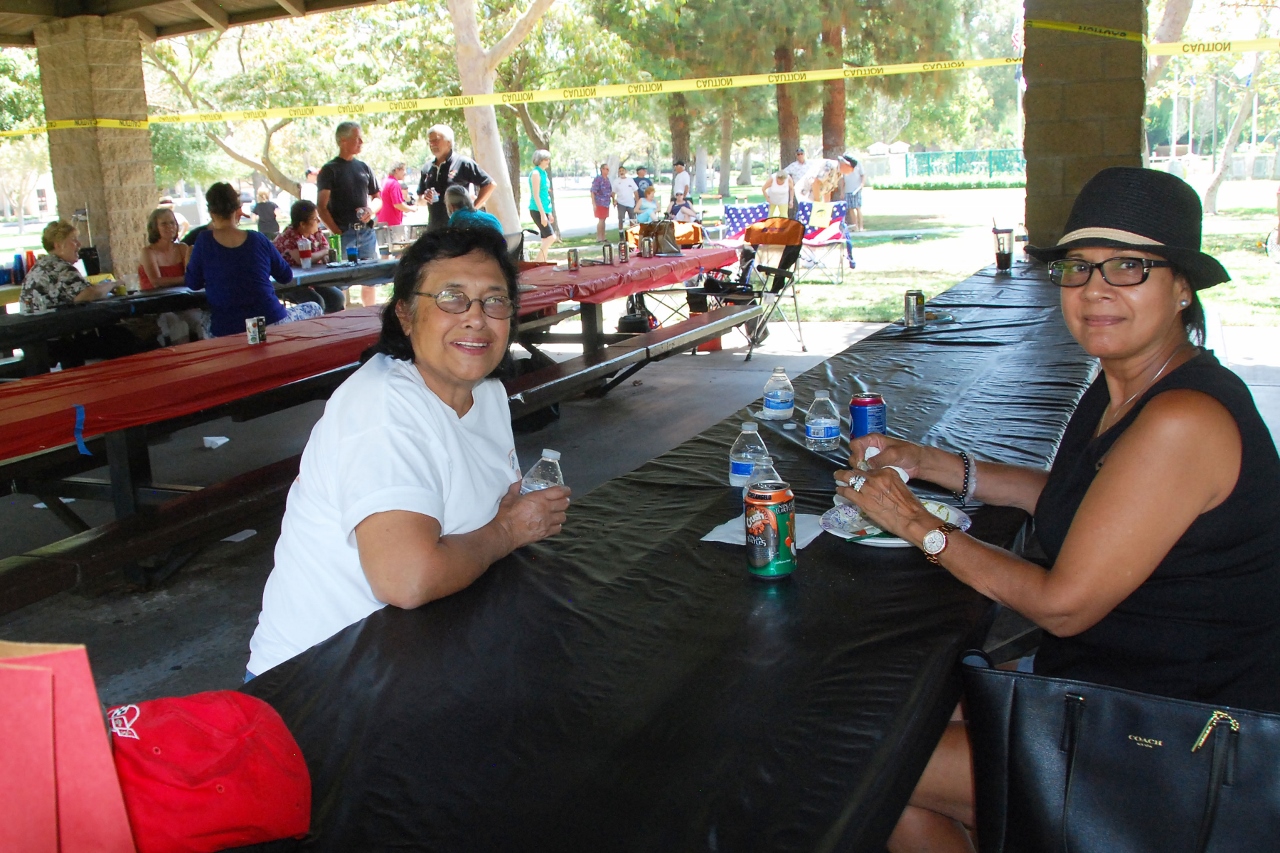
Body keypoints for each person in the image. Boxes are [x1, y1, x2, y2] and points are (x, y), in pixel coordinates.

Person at [830, 168, 1280, 852]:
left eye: (1129, 267)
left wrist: (919, 525)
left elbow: (1063, 604)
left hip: (1171, 740)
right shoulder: (1123, 385)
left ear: (1182, 286)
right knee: (894, 712)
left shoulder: (1184, 420)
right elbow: (1082, 501)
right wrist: (936, 465)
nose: (1095, 288)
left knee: (867, 758)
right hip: (1109, 686)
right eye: (1079, 267)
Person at [245, 227, 571, 678]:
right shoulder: (383, 408)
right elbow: (407, 578)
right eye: (451, 297)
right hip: (320, 681)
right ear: (405, 313)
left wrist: (511, 515)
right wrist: (508, 530)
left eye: (494, 300)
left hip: (415, 651)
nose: (476, 318)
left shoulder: (486, 391)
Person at [186, 182, 323, 337]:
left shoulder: (203, 242)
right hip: (269, 321)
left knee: (201, 321)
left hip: (229, 329)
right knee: (314, 307)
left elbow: (193, 283)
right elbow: (286, 276)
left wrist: (188, 259)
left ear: (211, 212)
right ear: (238, 210)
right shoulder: (258, 239)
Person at [20, 220, 137, 366]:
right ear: (58, 245)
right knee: (123, 338)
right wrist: (113, 284)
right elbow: (86, 294)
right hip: (57, 340)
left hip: (37, 337)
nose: (79, 245)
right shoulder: (60, 268)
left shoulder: (43, 265)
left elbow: (79, 290)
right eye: (73, 240)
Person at [140, 207, 209, 344]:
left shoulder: (182, 248)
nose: (170, 227)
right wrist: (185, 279)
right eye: (164, 224)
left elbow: (192, 275)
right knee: (178, 326)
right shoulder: (148, 252)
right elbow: (156, 282)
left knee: (201, 321)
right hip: (157, 306)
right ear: (155, 227)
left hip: (180, 302)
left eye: (172, 223)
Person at [317, 121, 381, 265]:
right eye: (357, 138)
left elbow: (377, 198)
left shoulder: (364, 167)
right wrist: (337, 232)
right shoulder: (329, 170)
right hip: (344, 233)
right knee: (342, 280)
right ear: (343, 141)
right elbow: (321, 207)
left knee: (371, 277)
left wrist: (370, 211)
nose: (361, 142)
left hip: (366, 232)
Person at [417, 124, 495, 233]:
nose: (432, 144)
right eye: (430, 141)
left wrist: (472, 209)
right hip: (435, 230)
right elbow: (419, 201)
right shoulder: (427, 168)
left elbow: (489, 184)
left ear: (449, 142)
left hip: (459, 229)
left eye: (436, 140)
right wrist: (425, 197)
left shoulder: (463, 163)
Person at [274, 200, 345, 314]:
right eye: (315, 219)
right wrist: (324, 253)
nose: (318, 221)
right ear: (302, 224)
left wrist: (325, 254)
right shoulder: (289, 236)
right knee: (316, 302)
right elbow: (303, 260)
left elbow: (325, 249)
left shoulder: (315, 232)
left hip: (312, 279)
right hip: (289, 282)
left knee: (337, 298)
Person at [528, 149, 556, 263]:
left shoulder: (544, 173)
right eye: (546, 159)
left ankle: (542, 264)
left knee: (545, 239)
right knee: (551, 237)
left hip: (544, 210)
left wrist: (549, 212)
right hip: (536, 209)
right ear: (539, 160)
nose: (548, 161)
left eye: (548, 159)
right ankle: (535, 263)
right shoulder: (535, 173)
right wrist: (542, 214)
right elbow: (536, 195)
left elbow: (545, 194)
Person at [376, 162, 416, 227]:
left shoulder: (384, 181)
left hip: (381, 222)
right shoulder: (394, 184)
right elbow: (397, 204)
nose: (405, 173)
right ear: (397, 170)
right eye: (403, 170)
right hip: (392, 225)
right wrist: (411, 208)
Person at [838, 153, 867, 232]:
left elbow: (863, 175)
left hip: (856, 189)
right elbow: (842, 180)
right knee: (850, 209)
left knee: (858, 208)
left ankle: (861, 227)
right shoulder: (843, 166)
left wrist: (862, 184)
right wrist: (842, 192)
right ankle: (855, 226)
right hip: (848, 190)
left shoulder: (857, 164)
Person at [590, 163, 612, 243]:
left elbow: (609, 191)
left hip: (606, 203)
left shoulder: (607, 179)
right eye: (606, 169)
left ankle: (603, 237)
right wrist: (594, 204)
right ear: (602, 169)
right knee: (601, 220)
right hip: (600, 202)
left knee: (604, 220)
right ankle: (599, 237)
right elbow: (593, 191)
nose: (607, 171)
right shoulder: (598, 179)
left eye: (608, 169)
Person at [612, 165, 639, 231]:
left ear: (625, 171)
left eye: (622, 171)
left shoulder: (630, 180)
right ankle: (621, 233)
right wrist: (614, 200)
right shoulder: (616, 181)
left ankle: (633, 233)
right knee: (621, 219)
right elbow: (613, 192)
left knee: (632, 219)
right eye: (620, 171)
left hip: (631, 203)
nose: (621, 172)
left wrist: (637, 202)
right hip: (621, 203)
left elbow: (635, 191)